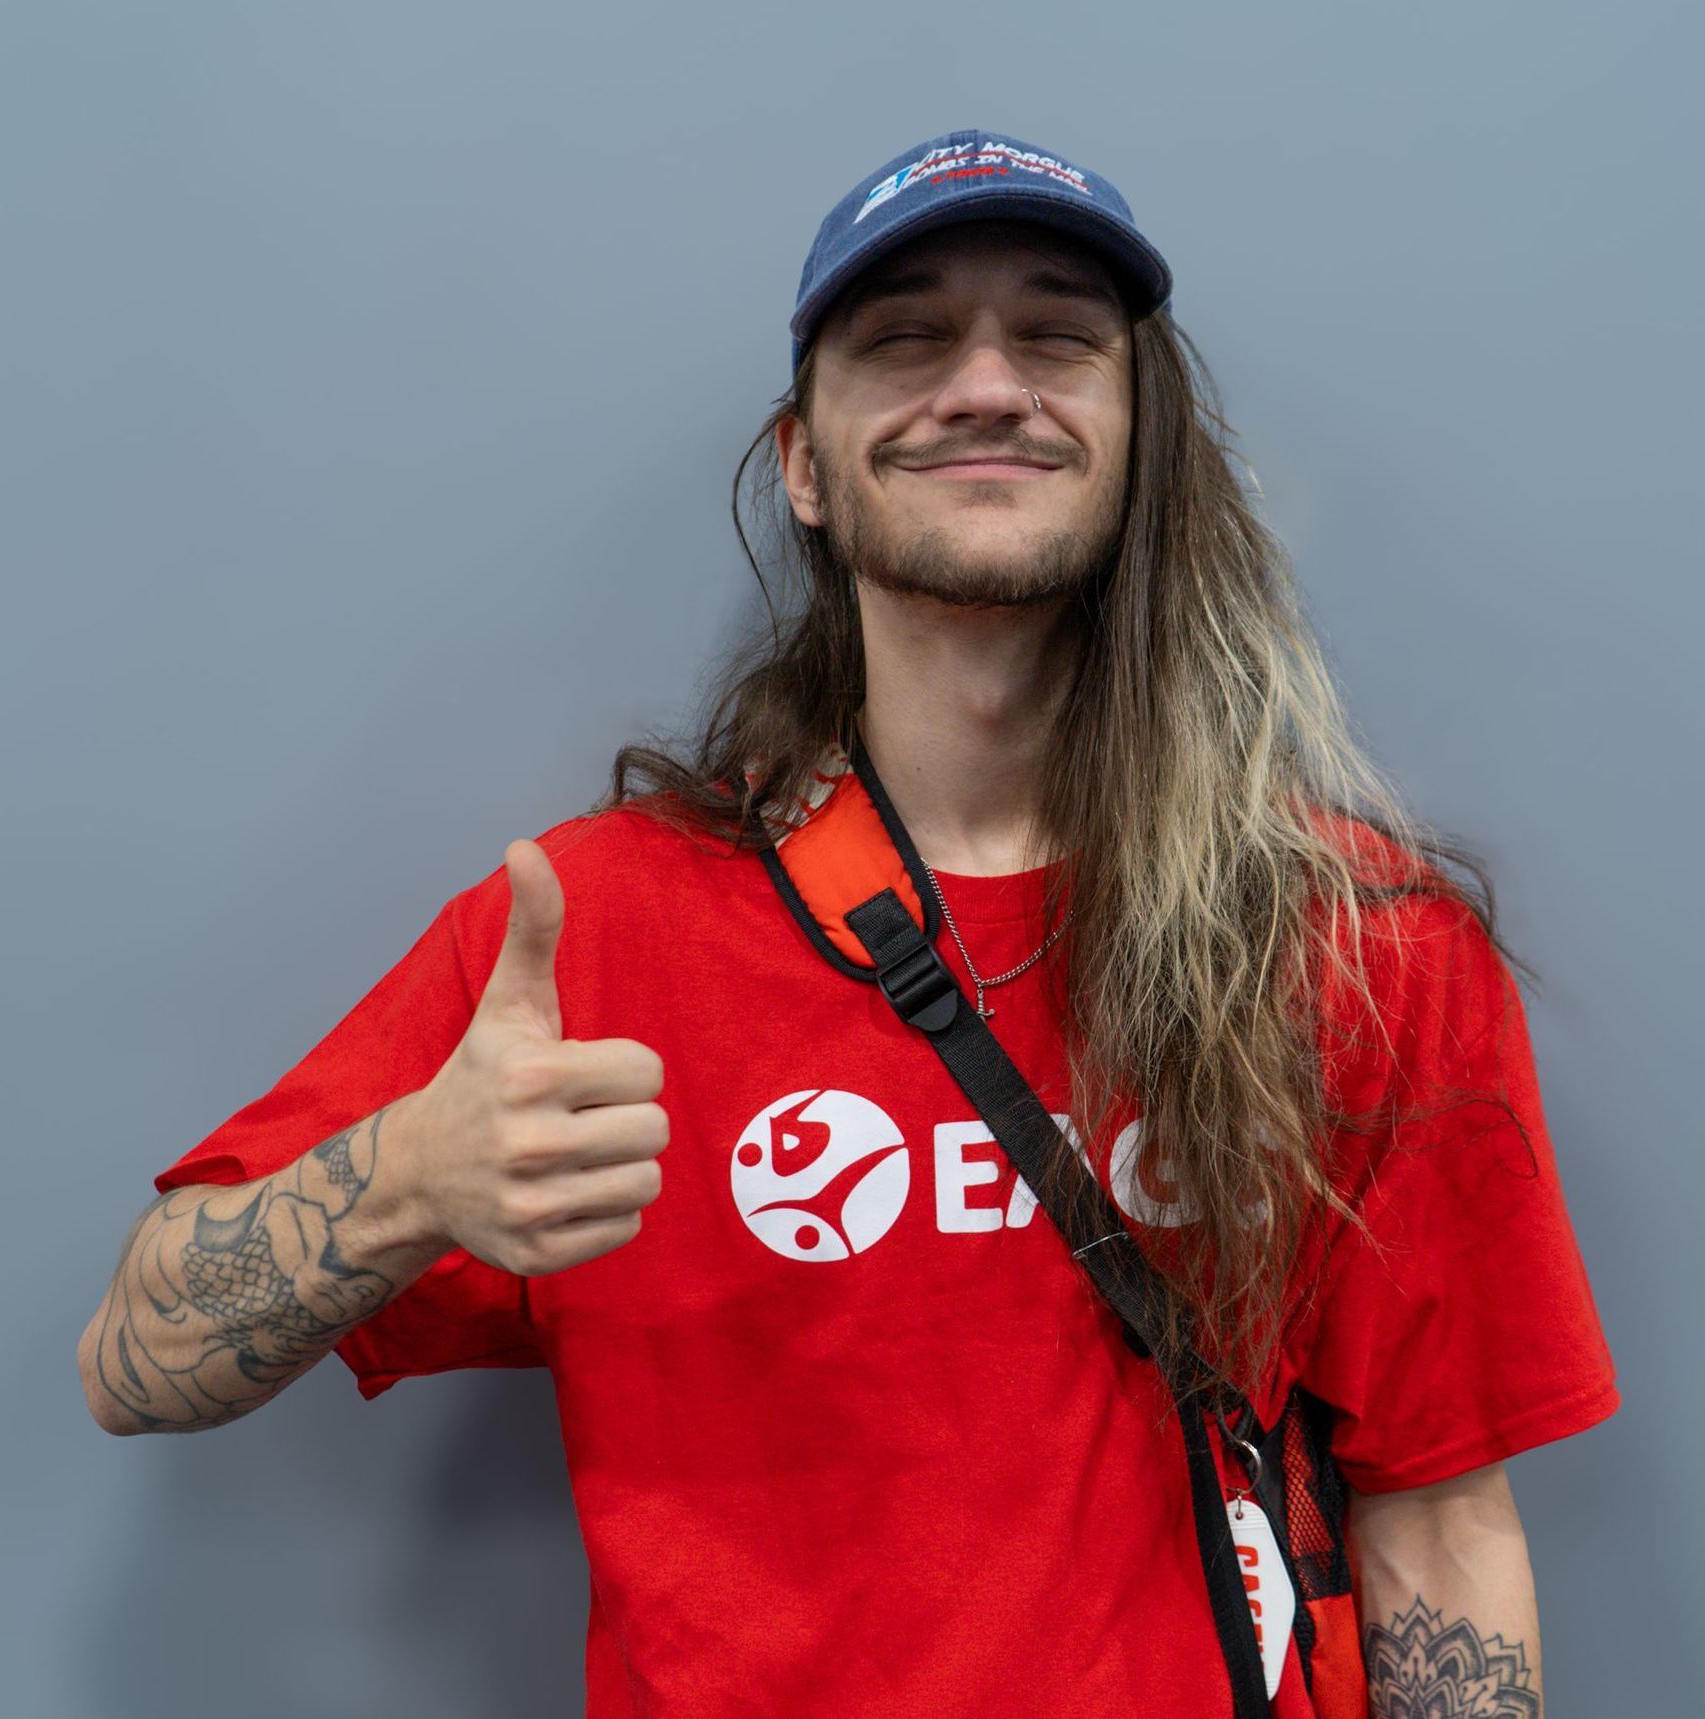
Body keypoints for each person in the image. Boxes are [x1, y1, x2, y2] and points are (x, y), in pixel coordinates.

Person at [79, 129, 1618, 1717]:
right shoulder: (596, 929)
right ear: (805, 465)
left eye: (1059, 335)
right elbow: (136, 1355)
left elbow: (1442, 1524)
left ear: (1143, 437)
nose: (986, 383)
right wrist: (406, 1178)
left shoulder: (1365, 943)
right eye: (903, 339)